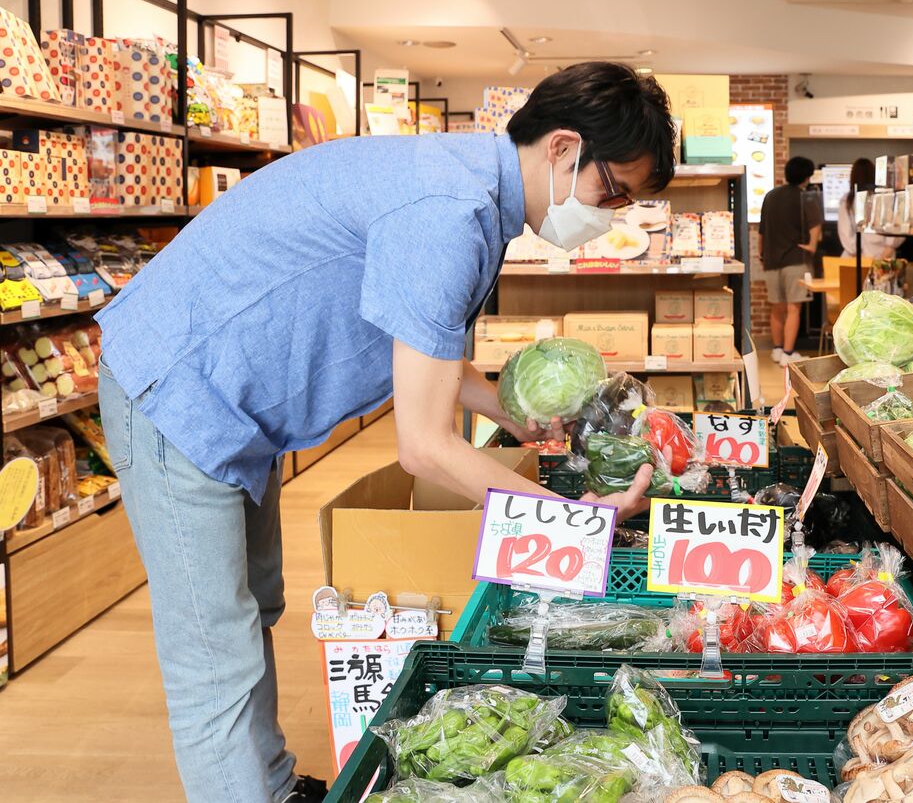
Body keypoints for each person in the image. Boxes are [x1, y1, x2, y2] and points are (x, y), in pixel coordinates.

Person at [94, 61, 675, 803]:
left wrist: (506, 411)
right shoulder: (448, 212)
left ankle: (267, 784)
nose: (612, 213)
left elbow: (421, 347)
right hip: (179, 391)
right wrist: (578, 520)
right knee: (215, 650)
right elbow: (424, 444)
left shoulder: (471, 192)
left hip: (239, 404)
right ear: (563, 148)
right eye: (614, 191)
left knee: (255, 606)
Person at [759, 156, 822, 364]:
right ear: (807, 176)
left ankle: (777, 350)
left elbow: (762, 231)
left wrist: (762, 255)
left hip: (771, 261)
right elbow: (815, 226)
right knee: (794, 308)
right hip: (796, 261)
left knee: (777, 307)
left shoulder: (770, 196)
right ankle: (788, 354)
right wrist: (812, 245)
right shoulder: (807, 197)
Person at [837, 157, 903, 261]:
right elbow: (895, 233)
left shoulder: (847, 201)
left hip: (855, 261)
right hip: (884, 259)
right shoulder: (885, 197)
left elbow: (846, 236)